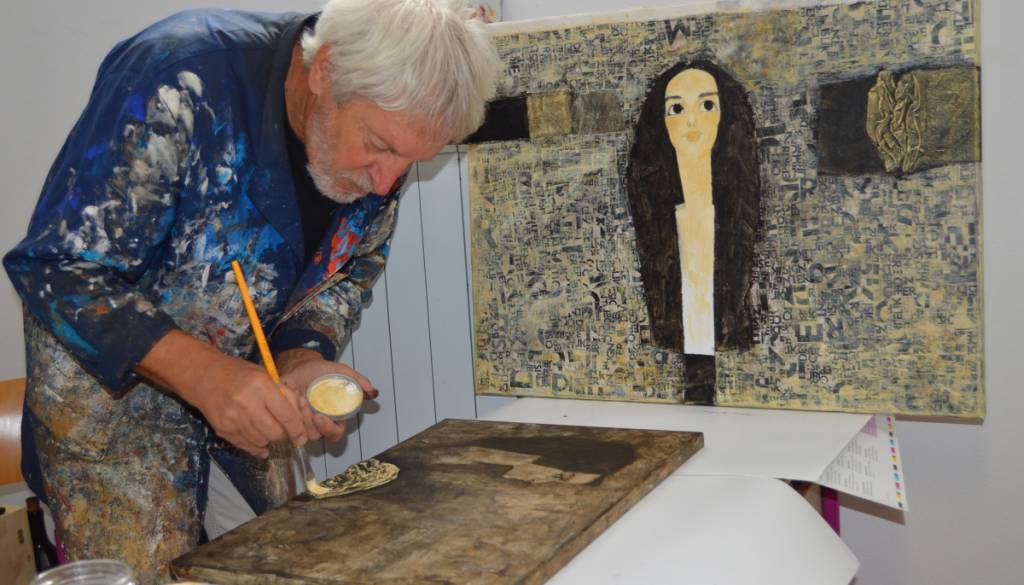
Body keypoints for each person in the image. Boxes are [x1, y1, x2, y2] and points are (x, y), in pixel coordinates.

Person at [3, 0, 498, 581]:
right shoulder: (180, 78)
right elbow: (58, 266)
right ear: (326, 69)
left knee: (280, 564)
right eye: (381, 146)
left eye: (411, 162)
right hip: (113, 422)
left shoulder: (381, 131)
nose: (386, 182)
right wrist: (207, 377)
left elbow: (350, 268)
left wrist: (301, 356)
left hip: (248, 414)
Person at [625, 60, 761, 401]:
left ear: (726, 115)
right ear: (661, 122)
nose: (691, 120)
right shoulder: (653, 217)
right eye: (677, 108)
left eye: (707, 105)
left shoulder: (740, 214)